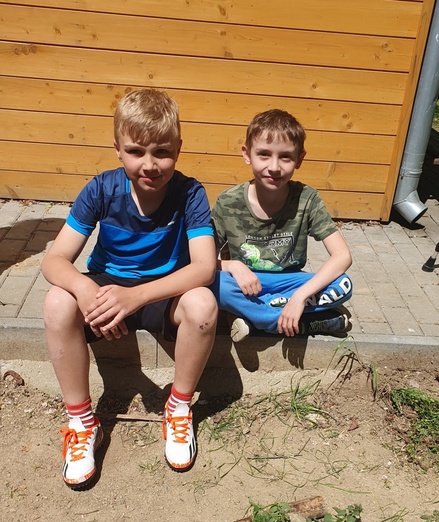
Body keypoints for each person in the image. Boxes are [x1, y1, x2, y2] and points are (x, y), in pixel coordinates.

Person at [41, 88, 218, 487]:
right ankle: (83, 422)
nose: (150, 165)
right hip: (106, 287)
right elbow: (54, 261)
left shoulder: (190, 193)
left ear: (179, 149)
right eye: (136, 151)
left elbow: (205, 267)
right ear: (118, 150)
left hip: (161, 290)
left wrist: (136, 296)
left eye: (162, 152)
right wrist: (85, 291)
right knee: (56, 302)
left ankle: (178, 407)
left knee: (203, 305)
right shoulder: (101, 189)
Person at [210, 109, 353, 342]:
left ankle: (254, 316)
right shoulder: (228, 202)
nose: (274, 167)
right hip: (244, 283)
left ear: (299, 159)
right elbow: (201, 261)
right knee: (212, 284)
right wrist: (233, 265)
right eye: (264, 154)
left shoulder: (307, 199)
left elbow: (342, 256)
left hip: (290, 283)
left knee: (343, 284)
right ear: (247, 154)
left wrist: (299, 297)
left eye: (285, 157)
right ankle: (298, 321)